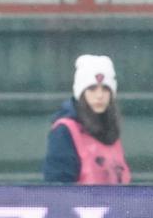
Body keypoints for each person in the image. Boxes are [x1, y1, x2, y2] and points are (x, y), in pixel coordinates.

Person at [44, 54, 131, 184]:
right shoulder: (64, 131)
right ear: (81, 92)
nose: (99, 95)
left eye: (106, 89)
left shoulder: (111, 130)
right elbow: (58, 189)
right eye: (92, 88)